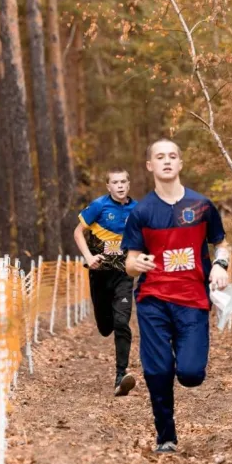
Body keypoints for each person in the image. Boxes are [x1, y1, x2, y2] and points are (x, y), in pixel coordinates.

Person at [122, 139, 230, 453]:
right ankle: (166, 437)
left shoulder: (202, 206)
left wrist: (221, 265)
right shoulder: (141, 212)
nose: (167, 161)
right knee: (158, 371)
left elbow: (220, 243)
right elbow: (130, 262)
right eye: (159, 157)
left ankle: (185, 374)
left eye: (172, 156)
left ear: (180, 164)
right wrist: (135, 263)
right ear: (150, 166)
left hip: (193, 300)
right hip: (153, 299)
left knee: (191, 374)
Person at [74, 168, 138, 397]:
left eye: (123, 181)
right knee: (105, 326)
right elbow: (78, 232)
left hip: (123, 273)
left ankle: (121, 375)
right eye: (115, 182)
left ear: (128, 184)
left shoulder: (137, 209)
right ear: (108, 187)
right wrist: (89, 258)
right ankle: (106, 321)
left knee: (122, 321)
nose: (120, 186)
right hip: (100, 273)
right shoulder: (99, 206)